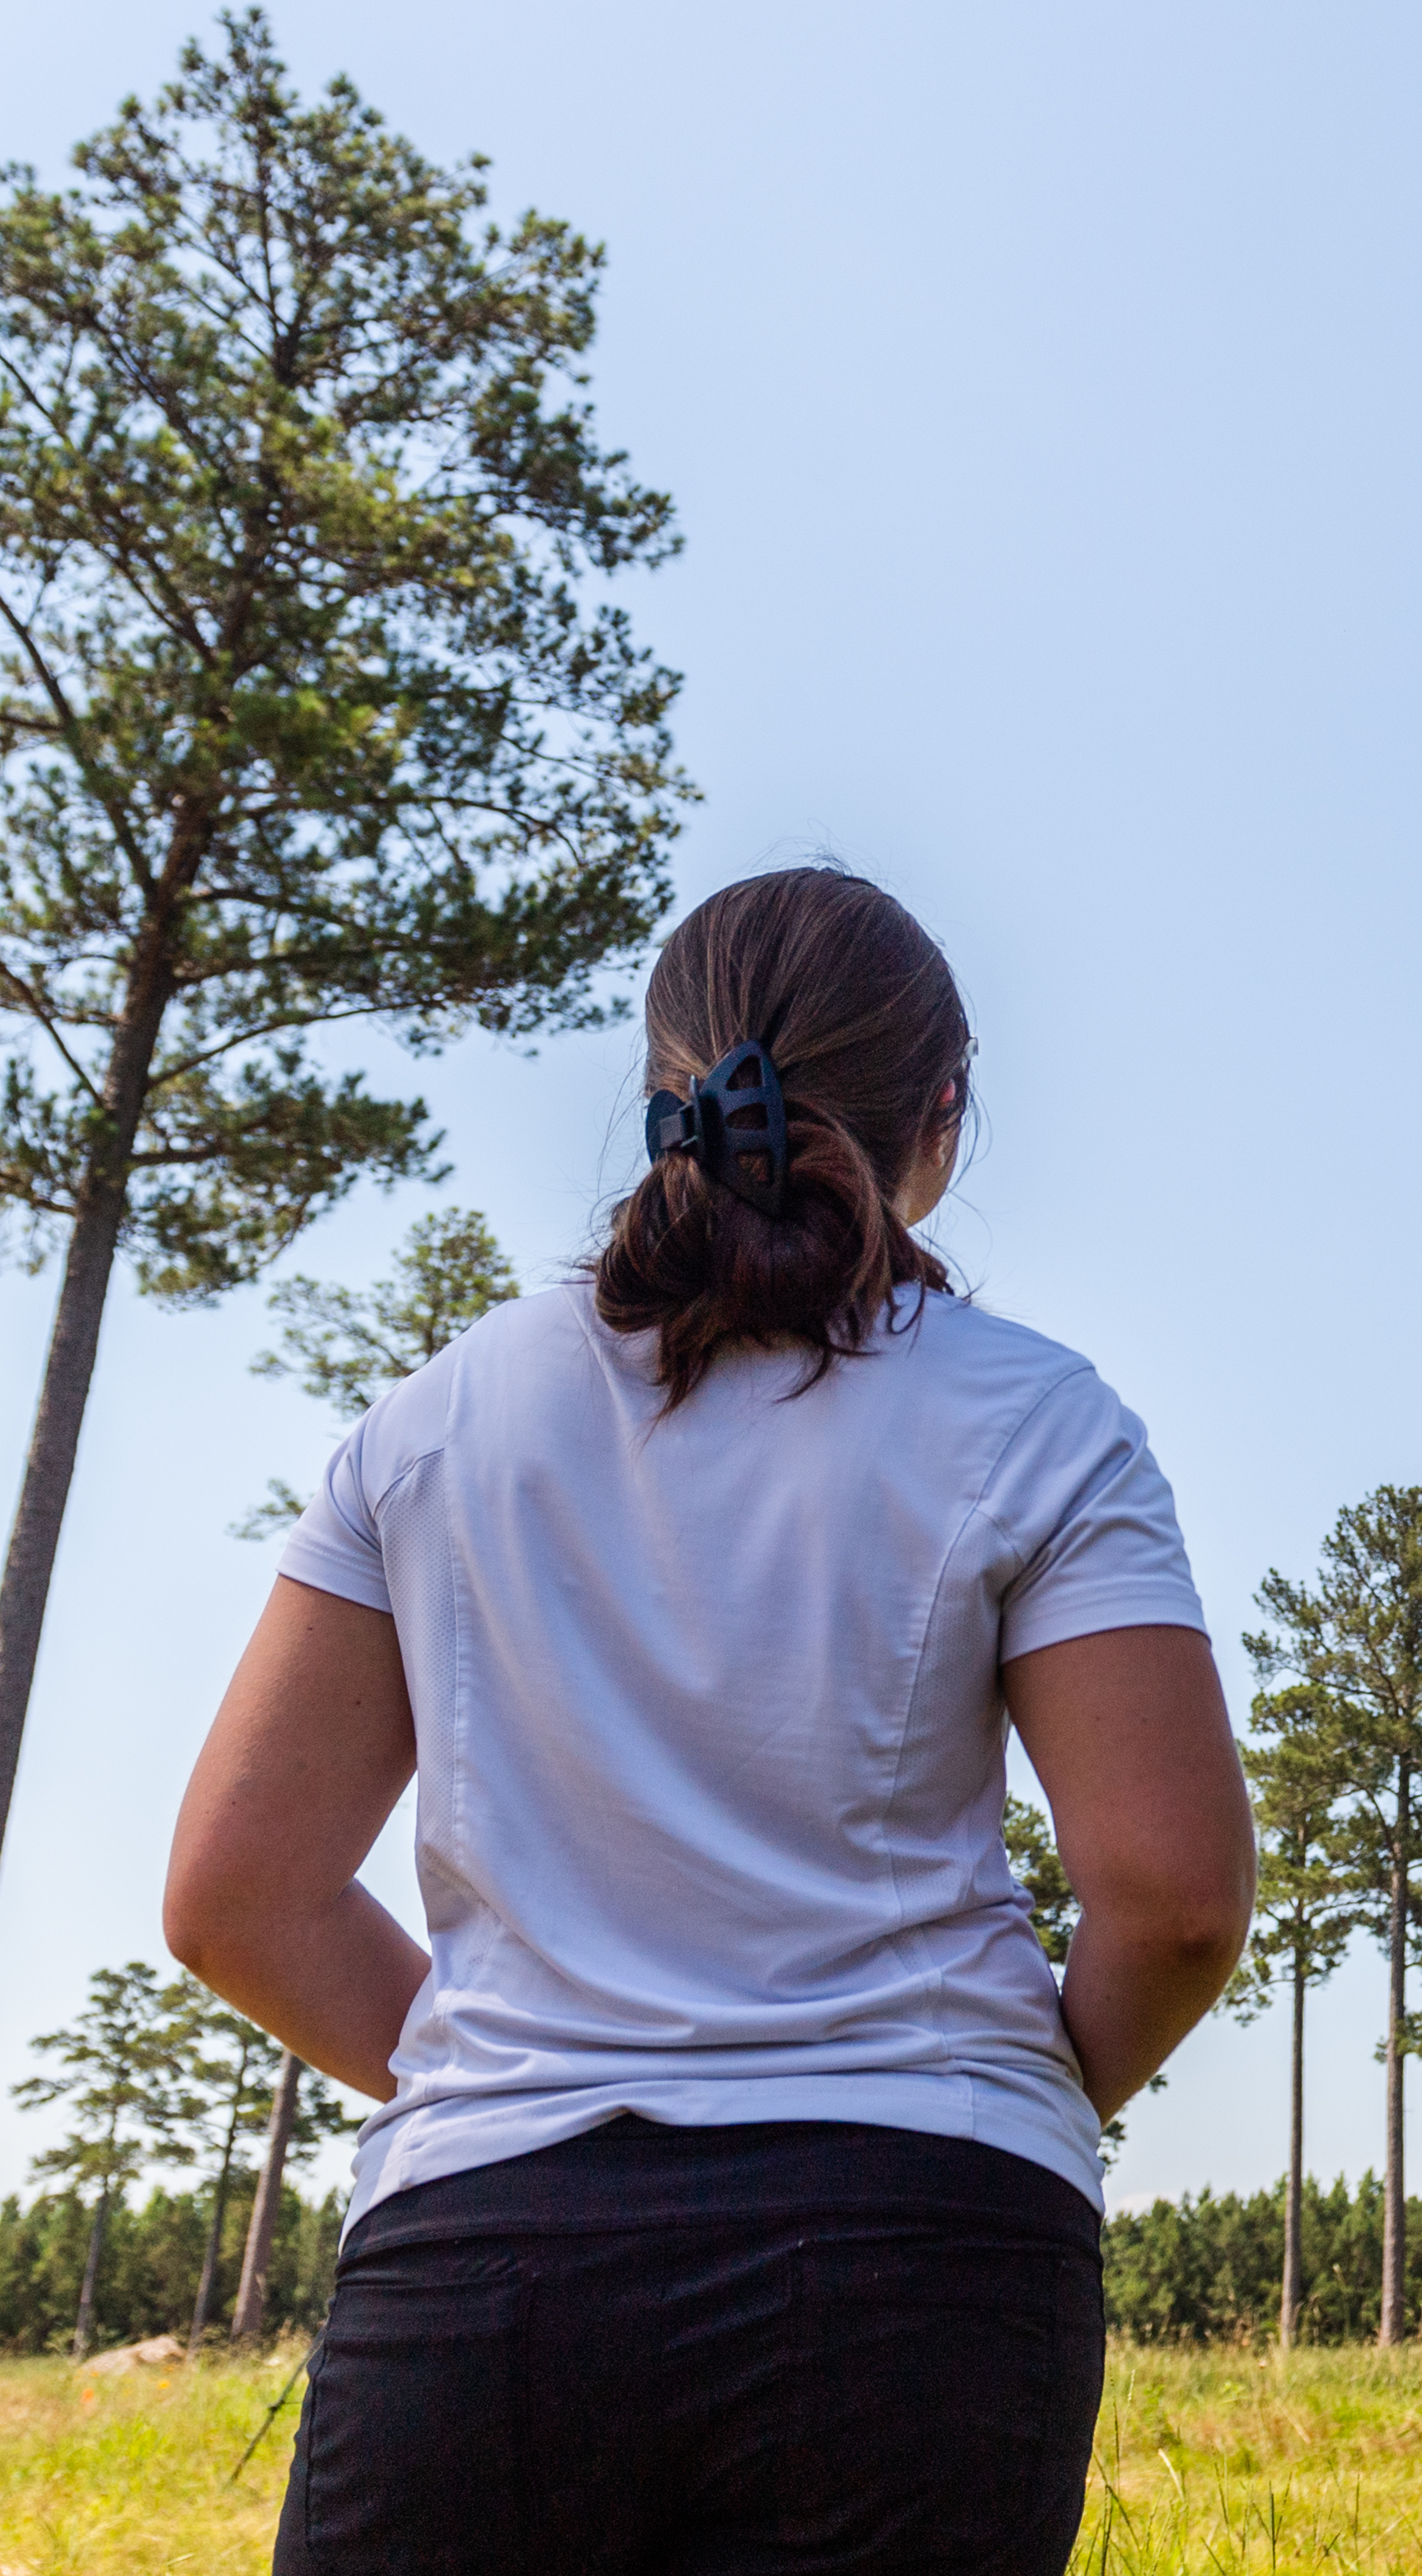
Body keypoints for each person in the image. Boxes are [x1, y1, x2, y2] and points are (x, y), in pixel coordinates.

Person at [168, 866, 1254, 2576]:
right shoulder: (1041, 1418)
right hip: (923, 2253)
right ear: (941, 1120)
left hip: (484, 2261)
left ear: (662, 1089)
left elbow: (236, 1894)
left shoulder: (436, 1416)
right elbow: (1176, 1896)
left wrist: (522, 2071)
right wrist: (1022, 2094)